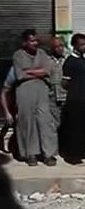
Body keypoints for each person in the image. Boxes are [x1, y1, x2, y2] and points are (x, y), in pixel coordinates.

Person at [13, 30, 56, 166]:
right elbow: (20, 75)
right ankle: (30, 154)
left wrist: (30, 71)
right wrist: (38, 72)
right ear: (25, 42)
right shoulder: (18, 55)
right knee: (27, 122)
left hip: (41, 91)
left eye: (36, 40)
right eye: (32, 41)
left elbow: (47, 70)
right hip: (25, 91)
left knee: (45, 121)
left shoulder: (42, 54)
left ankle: (47, 154)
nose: (35, 43)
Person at [60, 34, 85, 165]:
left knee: (83, 127)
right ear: (75, 45)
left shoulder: (82, 59)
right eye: (82, 44)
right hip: (74, 100)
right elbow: (64, 83)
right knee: (74, 128)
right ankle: (72, 155)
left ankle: (80, 151)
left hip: (83, 99)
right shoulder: (70, 61)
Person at [1, 67, 16, 154]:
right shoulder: (14, 71)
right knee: (9, 123)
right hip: (11, 102)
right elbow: (4, 93)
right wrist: (7, 112)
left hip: (15, 102)